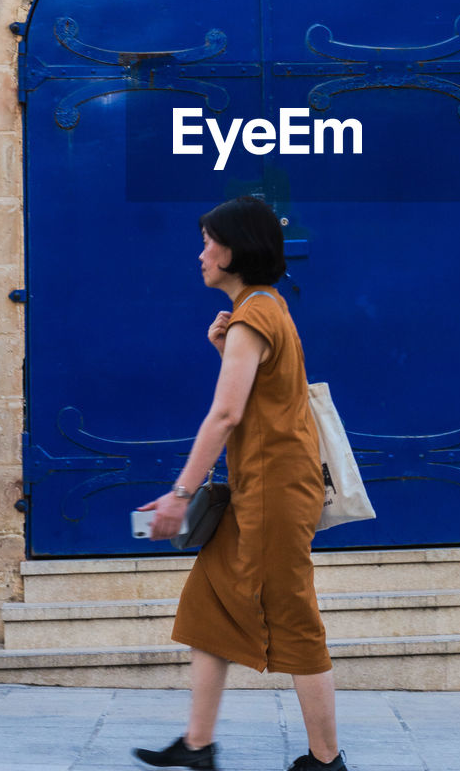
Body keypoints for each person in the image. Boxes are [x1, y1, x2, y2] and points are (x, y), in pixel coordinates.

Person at [133, 196, 349, 771]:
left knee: (294, 614)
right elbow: (260, 399)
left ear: (236, 251)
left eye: (210, 242)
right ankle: (198, 746)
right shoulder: (260, 309)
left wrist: (181, 494)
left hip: (276, 493)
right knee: (209, 604)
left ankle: (326, 761)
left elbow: (225, 415)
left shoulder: (255, 315)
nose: (201, 252)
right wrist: (223, 347)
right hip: (259, 488)